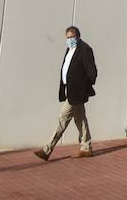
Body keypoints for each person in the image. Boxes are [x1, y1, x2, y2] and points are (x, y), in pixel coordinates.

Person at [35, 26, 98, 160]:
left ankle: (47, 150)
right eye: (67, 38)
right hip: (70, 91)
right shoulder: (69, 50)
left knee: (63, 118)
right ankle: (86, 148)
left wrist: (85, 86)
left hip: (77, 92)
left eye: (71, 37)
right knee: (80, 120)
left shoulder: (85, 50)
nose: (69, 40)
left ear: (77, 37)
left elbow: (92, 71)